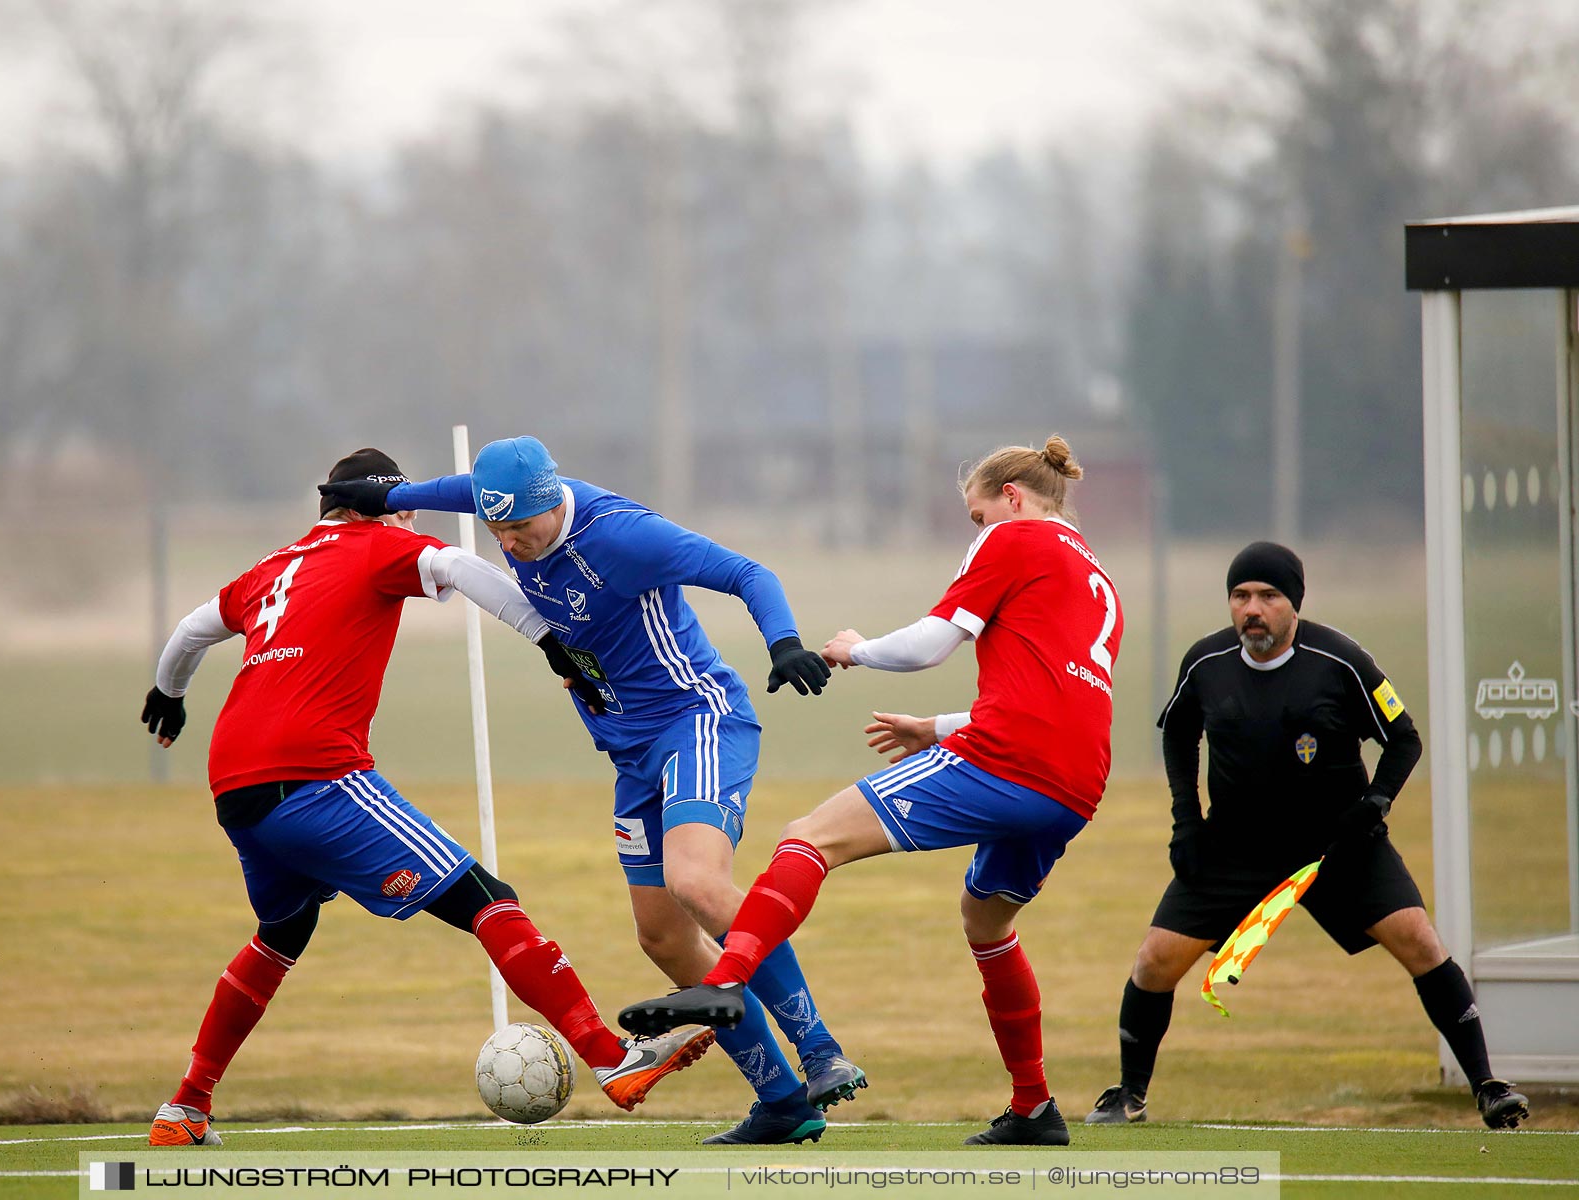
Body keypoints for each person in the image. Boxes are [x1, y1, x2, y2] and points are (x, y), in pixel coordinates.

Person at [137, 448, 714, 1147]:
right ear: (391, 507)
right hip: (316, 772)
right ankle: (610, 1059)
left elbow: (192, 630)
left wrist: (168, 696)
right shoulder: (380, 543)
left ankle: (185, 1106)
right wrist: (551, 643)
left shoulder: (271, 568)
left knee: (281, 934)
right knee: (488, 899)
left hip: (235, 784)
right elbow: (459, 567)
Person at [320, 436, 860, 1146]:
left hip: (696, 718)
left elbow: (746, 572)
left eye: (524, 529)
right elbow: (447, 492)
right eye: (498, 530)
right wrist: (387, 499)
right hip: (630, 753)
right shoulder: (502, 507)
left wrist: (783, 640)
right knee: (662, 935)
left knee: (696, 881)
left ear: (554, 502)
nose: (512, 542)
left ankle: (820, 1053)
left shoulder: (625, 536)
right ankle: (784, 1099)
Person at [618, 435, 1122, 1148]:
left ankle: (728, 980)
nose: (977, 531)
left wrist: (855, 648)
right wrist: (939, 726)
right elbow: (1059, 696)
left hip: (1011, 759)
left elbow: (931, 644)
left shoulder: (1015, 538)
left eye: (977, 517)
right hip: (1075, 782)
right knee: (987, 925)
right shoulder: (1094, 573)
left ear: (1010, 497)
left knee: (809, 837)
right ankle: (1034, 1107)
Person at [1083, 541, 1530, 1131]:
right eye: (1241, 596)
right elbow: (1178, 734)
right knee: (1155, 961)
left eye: (1268, 596)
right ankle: (1129, 1096)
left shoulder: (1340, 661)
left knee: (1420, 942)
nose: (1253, 609)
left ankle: (1488, 1086)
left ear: (1293, 603)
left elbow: (1404, 740)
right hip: (1234, 846)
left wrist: (1372, 805)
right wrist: (1186, 822)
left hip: (1338, 846)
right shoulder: (1206, 663)